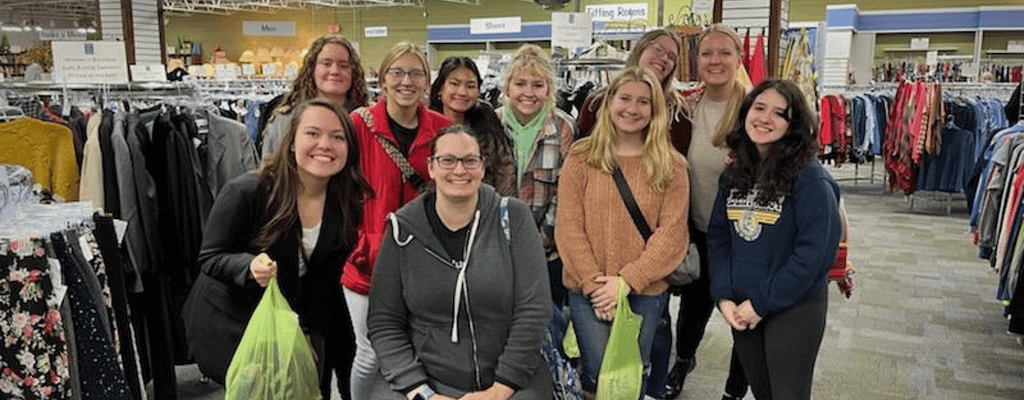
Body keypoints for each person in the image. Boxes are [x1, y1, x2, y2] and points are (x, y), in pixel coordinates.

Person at [182, 98, 371, 400]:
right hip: (236, 321)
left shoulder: (345, 201)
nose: (325, 144)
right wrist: (248, 266)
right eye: (312, 133)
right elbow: (211, 257)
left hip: (292, 318)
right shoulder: (248, 191)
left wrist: (306, 331)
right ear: (292, 142)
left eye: (338, 137)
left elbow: (325, 280)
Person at [368, 125, 554, 400]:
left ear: (482, 167)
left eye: (469, 160)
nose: (459, 170)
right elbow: (384, 322)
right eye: (447, 160)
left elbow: (534, 309)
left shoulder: (513, 218)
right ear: (431, 167)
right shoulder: (402, 231)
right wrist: (422, 393)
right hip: (426, 381)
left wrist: (500, 390)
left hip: (509, 380)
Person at [556, 67, 690, 399]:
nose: (632, 108)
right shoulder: (581, 157)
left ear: (655, 110)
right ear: (610, 102)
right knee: (598, 372)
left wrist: (626, 282)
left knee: (629, 375)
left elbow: (672, 234)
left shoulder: (671, 166)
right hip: (589, 287)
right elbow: (569, 226)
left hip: (644, 290)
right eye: (625, 98)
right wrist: (596, 286)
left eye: (643, 102)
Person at [708, 78, 842, 400]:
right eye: (759, 108)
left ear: (793, 125)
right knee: (763, 393)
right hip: (743, 304)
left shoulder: (811, 179)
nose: (765, 118)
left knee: (787, 395)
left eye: (780, 113)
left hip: (793, 305)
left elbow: (814, 254)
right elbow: (719, 238)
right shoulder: (735, 173)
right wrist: (723, 296)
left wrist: (761, 303)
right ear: (745, 112)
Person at [344, 41, 450, 400]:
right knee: (370, 353)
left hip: (426, 261)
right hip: (368, 260)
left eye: (416, 73)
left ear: (427, 82)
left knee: (420, 349)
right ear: (383, 79)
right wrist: (358, 237)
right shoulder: (359, 125)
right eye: (398, 72)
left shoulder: (442, 128)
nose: (407, 81)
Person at [666, 23, 753, 400]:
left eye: (724, 52)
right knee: (693, 309)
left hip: (747, 237)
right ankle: (683, 361)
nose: (715, 60)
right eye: (707, 53)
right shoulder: (686, 107)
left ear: (739, 58)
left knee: (743, 317)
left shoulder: (755, 107)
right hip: (699, 231)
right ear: (696, 59)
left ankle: (735, 389)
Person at [496, 43, 576, 309]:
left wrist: (538, 243)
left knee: (546, 321)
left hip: (547, 254)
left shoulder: (563, 128)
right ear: (507, 88)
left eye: (538, 85)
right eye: (520, 84)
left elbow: (566, 195)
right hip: (497, 252)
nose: (528, 93)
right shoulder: (492, 123)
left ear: (549, 90)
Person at [261, 34, 370, 159]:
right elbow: (270, 168)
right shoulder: (285, 122)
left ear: (353, 72)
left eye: (343, 65)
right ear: (312, 69)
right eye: (326, 63)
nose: (335, 71)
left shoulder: (366, 122)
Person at [429, 56, 517, 196]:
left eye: (470, 86)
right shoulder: (426, 123)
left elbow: (504, 169)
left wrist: (502, 205)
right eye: (454, 84)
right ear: (440, 88)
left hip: (485, 203)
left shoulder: (487, 118)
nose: (462, 92)